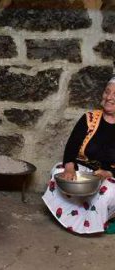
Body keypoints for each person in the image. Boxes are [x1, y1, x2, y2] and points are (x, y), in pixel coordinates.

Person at [42, 76, 115, 234]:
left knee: (107, 192)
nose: (109, 97)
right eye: (107, 92)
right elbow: (71, 147)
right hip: (83, 168)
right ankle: (71, 219)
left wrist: (108, 172)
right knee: (58, 172)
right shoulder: (89, 118)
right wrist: (69, 168)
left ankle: (96, 221)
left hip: (110, 175)